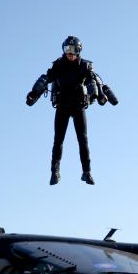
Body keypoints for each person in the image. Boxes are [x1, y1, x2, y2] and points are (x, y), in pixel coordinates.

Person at [26, 36, 118, 185]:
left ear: (78, 51)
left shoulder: (84, 66)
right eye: (67, 49)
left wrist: (98, 93)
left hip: (78, 106)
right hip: (62, 106)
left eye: (73, 50)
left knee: (83, 140)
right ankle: (55, 172)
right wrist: (33, 94)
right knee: (58, 141)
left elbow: (92, 80)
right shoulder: (58, 65)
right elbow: (46, 79)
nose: (70, 52)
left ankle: (86, 172)